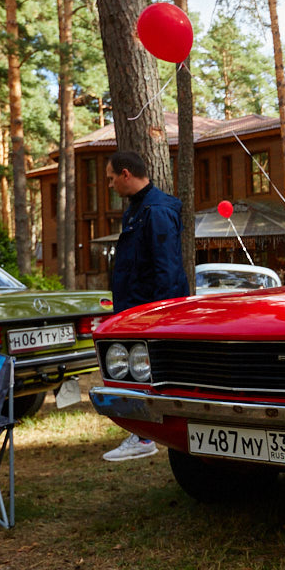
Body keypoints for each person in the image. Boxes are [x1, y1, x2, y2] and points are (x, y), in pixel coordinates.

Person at [101, 150, 190, 462]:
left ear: (126, 174)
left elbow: (166, 267)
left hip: (151, 313)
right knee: (136, 374)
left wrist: (160, 315)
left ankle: (146, 437)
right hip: (132, 310)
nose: (110, 184)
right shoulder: (136, 209)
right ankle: (142, 433)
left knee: (151, 374)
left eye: (112, 178)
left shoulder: (156, 210)